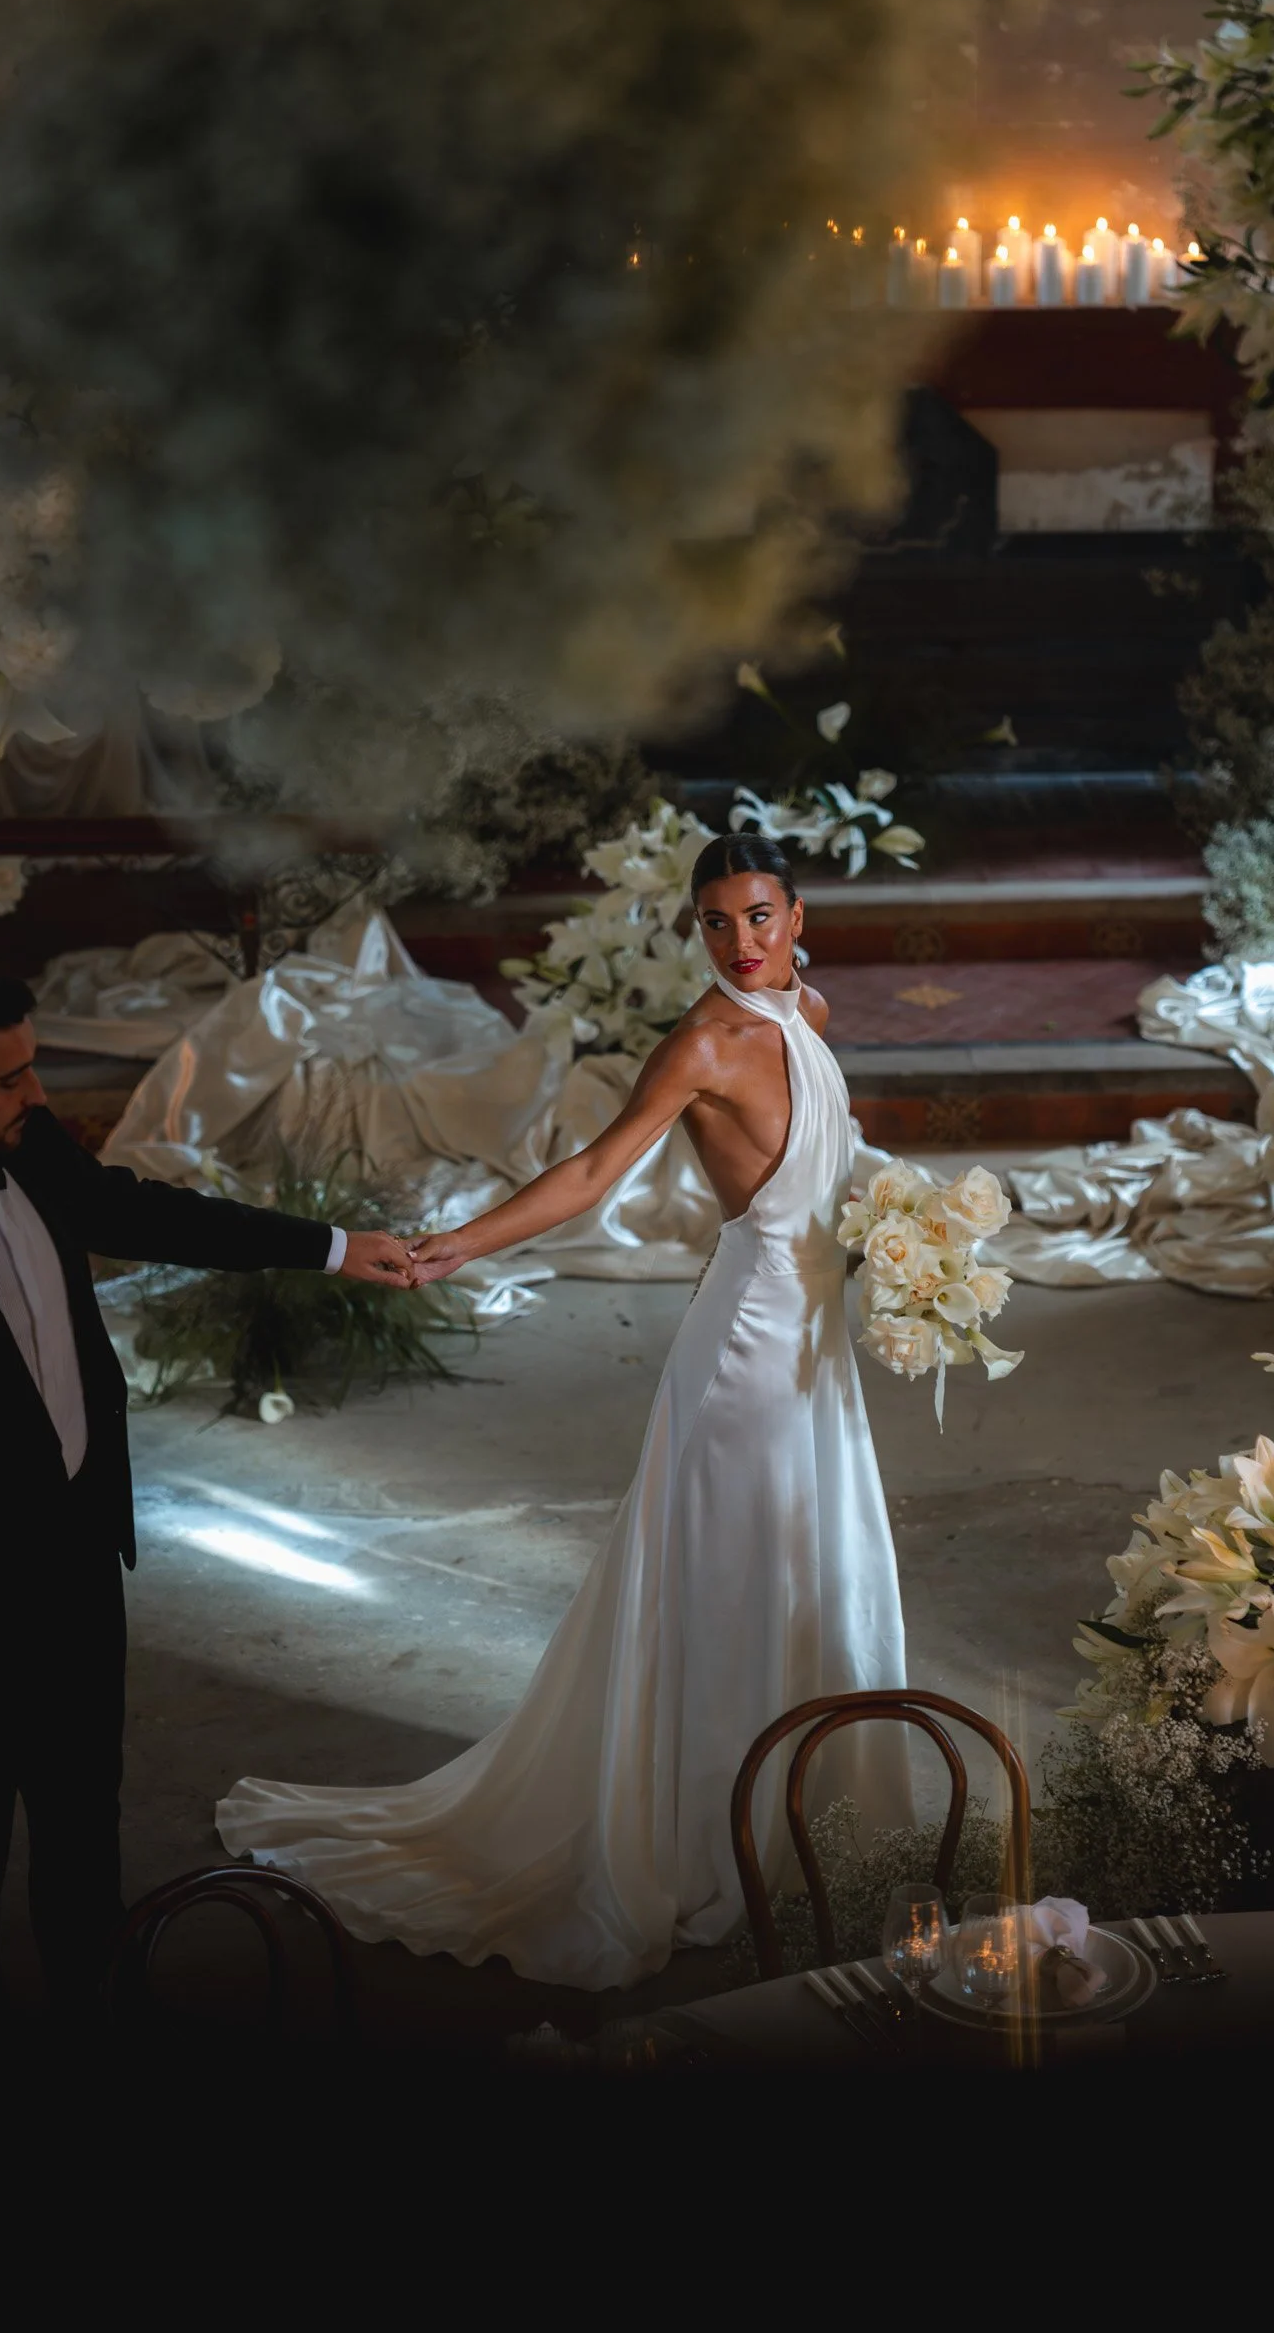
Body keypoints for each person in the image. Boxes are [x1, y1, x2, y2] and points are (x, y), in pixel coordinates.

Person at [217, 834, 913, 1991]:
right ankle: (707, 1834)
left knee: (813, 1564)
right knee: (739, 1575)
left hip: (815, 1341)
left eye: (756, 916)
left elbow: (833, 1171)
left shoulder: (811, 1013)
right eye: (714, 922)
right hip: (743, 1351)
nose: (738, 942)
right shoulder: (703, 1041)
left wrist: (908, 1238)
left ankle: (809, 1822)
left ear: (797, 916)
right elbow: (593, 1176)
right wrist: (454, 1247)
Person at [0, 967, 415, 2027]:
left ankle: (99, 2027)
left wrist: (327, 1247)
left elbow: (143, 1213)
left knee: (86, 1826)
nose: (39, 1094)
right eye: (13, 1076)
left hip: (80, 1565)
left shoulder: (23, 1148)